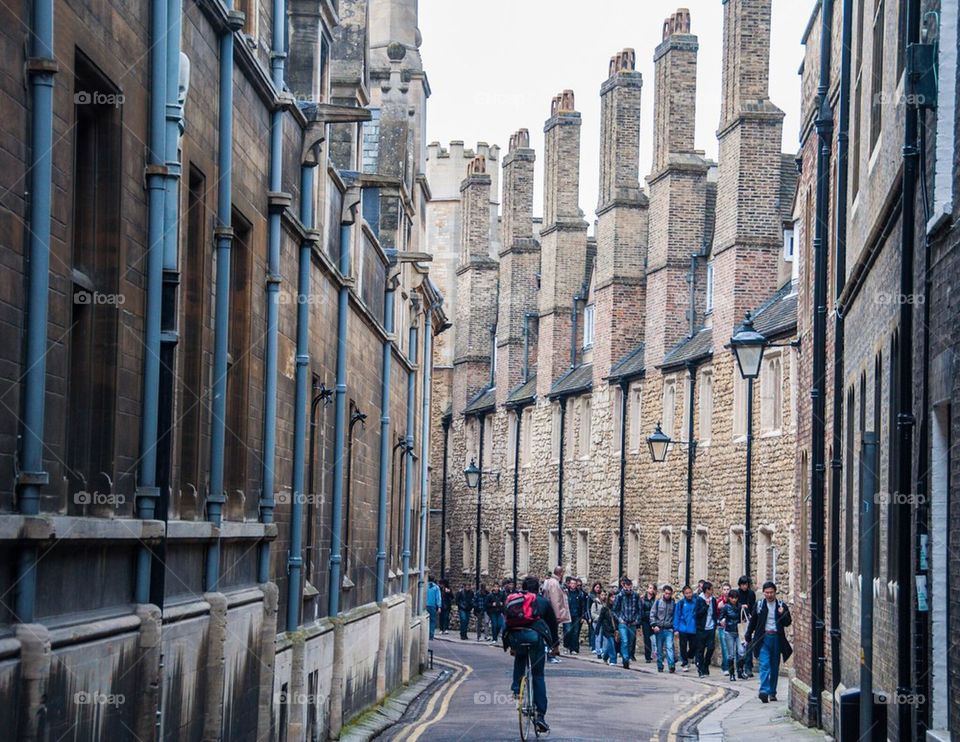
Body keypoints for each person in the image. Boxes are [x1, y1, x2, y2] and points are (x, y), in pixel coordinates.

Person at [503, 575, 558, 735]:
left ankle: (516, 690)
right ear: (538, 589)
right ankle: (540, 716)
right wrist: (554, 645)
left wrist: (510, 645)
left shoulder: (513, 599)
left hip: (516, 637)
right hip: (535, 640)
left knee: (520, 657)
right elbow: (552, 624)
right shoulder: (542, 602)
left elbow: (506, 620)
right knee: (538, 675)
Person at [745, 581, 793, 703]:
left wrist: (783, 613)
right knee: (764, 664)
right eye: (767, 592)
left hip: (776, 638)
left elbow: (788, 622)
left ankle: (772, 692)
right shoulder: (760, 605)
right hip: (763, 638)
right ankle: (764, 691)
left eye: (771, 592)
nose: (769, 595)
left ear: (775, 592)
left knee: (774, 667)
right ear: (764, 593)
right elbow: (753, 621)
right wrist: (748, 633)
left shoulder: (781, 605)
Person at [542, 566, 570, 663]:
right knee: (552, 635)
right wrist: (557, 615)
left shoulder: (552, 582)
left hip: (551, 613)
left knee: (551, 635)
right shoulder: (554, 583)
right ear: (561, 573)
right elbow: (555, 600)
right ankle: (551, 655)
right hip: (553, 614)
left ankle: (552, 654)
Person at [613, 578, 641, 668]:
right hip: (623, 622)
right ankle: (625, 660)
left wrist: (637, 620)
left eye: (630, 588)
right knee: (624, 641)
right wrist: (619, 619)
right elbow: (614, 610)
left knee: (630, 642)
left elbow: (639, 610)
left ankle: (627, 657)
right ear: (623, 586)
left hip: (632, 622)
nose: (628, 590)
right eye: (626, 588)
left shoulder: (636, 596)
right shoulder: (619, 596)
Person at [693, 580, 719, 677]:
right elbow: (697, 614)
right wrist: (706, 606)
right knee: (700, 649)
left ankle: (706, 664)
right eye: (710, 590)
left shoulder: (713, 600)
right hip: (701, 628)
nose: (712, 591)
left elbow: (715, 613)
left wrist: (716, 622)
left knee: (711, 648)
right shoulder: (699, 600)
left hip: (711, 627)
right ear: (706, 590)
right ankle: (700, 669)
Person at [719, 589, 746, 680]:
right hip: (729, 632)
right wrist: (722, 621)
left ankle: (740, 671)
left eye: (736, 598)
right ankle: (732, 674)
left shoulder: (740, 607)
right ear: (729, 598)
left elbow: (745, 617)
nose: (734, 600)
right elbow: (720, 618)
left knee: (741, 652)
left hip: (739, 631)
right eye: (732, 598)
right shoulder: (726, 607)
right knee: (731, 655)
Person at [649, 584, 676, 672]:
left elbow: (675, 616)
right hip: (659, 628)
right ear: (663, 593)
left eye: (669, 594)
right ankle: (660, 665)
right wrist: (654, 625)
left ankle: (671, 665)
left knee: (669, 647)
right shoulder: (658, 602)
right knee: (659, 649)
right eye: (666, 593)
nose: (668, 595)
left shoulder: (673, 604)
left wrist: (674, 628)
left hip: (669, 628)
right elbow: (652, 614)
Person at [736, 576, 757, 677]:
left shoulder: (751, 594)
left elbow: (753, 607)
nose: (744, 586)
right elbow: (733, 606)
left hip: (749, 622)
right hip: (739, 623)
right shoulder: (736, 593)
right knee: (740, 646)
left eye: (746, 584)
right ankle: (739, 667)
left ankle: (748, 667)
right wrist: (741, 606)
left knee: (749, 644)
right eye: (743, 584)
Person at [673, 585, 698, 671]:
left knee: (694, 646)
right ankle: (684, 662)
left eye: (690, 592)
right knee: (683, 646)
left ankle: (689, 657)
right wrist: (676, 629)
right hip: (683, 628)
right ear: (684, 594)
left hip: (693, 628)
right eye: (687, 593)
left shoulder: (696, 602)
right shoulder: (680, 603)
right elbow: (677, 616)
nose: (689, 595)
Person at [597, 592, 618, 666]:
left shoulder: (616, 608)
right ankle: (613, 660)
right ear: (609, 598)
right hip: (606, 629)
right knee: (611, 643)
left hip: (614, 629)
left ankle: (605, 656)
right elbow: (600, 619)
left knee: (611, 645)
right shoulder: (605, 608)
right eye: (612, 597)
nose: (613, 599)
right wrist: (597, 629)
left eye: (615, 597)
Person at [639, 583, 657, 664]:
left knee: (654, 638)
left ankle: (655, 654)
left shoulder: (655, 600)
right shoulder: (642, 599)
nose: (651, 590)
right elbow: (640, 610)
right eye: (650, 588)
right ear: (647, 589)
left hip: (653, 621)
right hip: (645, 621)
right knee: (647, 639)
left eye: (652, 588)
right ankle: (647, 656)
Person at [716, 582, 731, 671]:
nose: (726, 592)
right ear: (722, 591)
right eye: (724, 590)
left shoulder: (733, 600)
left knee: (731, 648)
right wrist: (718, 607)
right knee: (725, 647)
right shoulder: (718, 602)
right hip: (722, 627)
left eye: (727, 589)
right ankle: (726, 668)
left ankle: (725, 665)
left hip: (731, 626)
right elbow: (715, 615)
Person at [587, 581, 603, 651]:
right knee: (593, 632)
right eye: (596, 587)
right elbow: (587, 607)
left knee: (599, 633)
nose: (598, 589)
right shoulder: (590, 595)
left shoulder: (601, 595)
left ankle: (599, 647)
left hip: (599, 616)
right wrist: (589, 617)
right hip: (593, 615)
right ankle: (593, 646)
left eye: (599, 587)